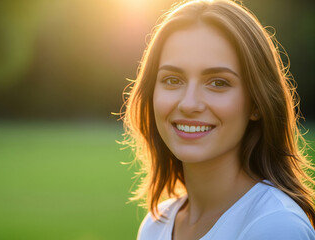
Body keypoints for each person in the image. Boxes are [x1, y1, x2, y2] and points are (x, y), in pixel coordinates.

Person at [121, 0, 315, 239]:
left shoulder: (276, 226)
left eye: (218, 83)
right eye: (172, 80)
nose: (189, 104)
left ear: (256, 103)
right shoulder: (155, 225)